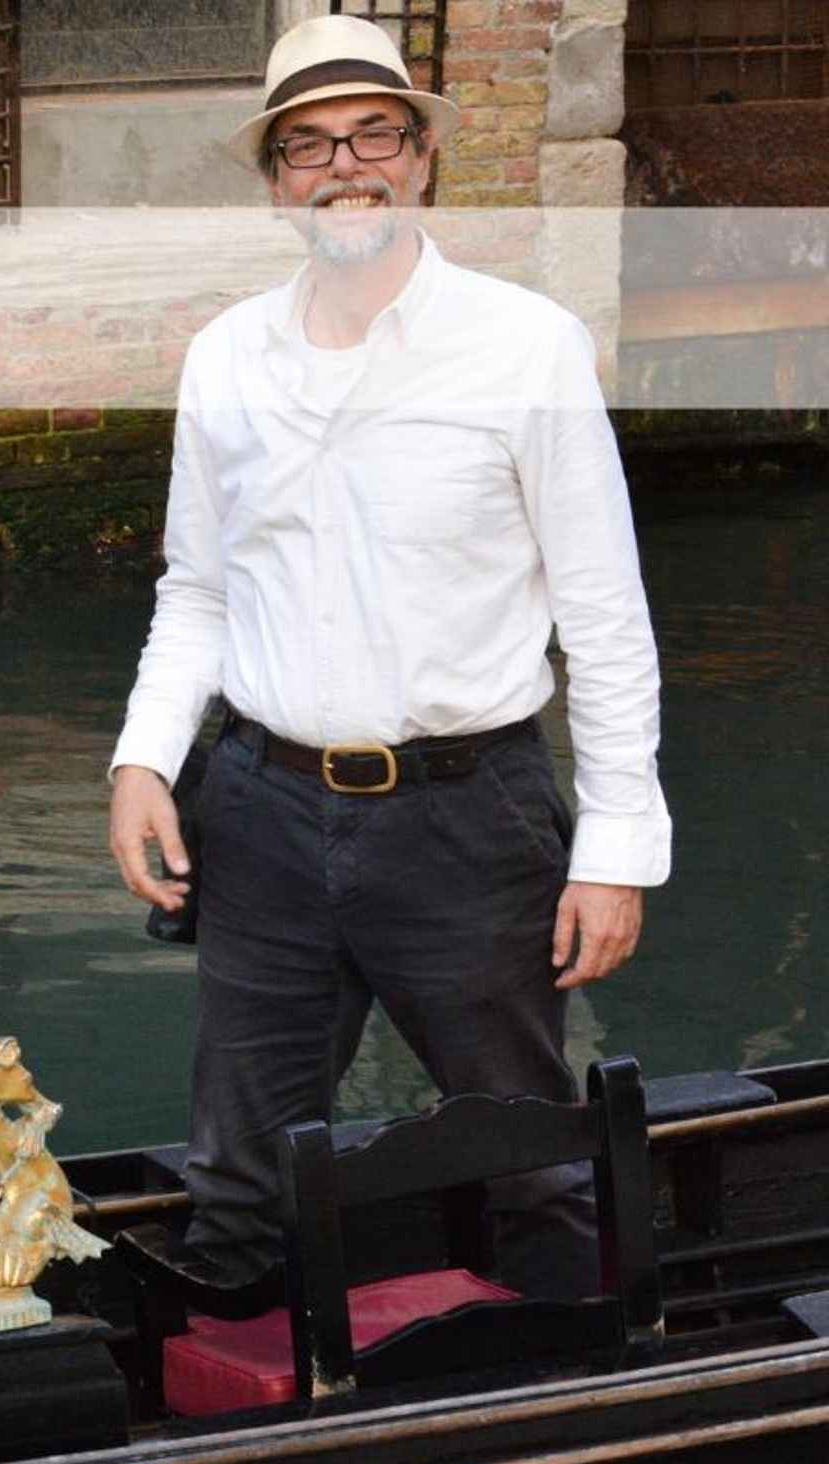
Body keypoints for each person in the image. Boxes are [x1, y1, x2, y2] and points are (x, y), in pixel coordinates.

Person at [104, 16, 671, 1297]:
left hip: (468, 814)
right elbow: (197, 592)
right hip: (258, 810)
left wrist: (615, 850)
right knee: (238, 1183)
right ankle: (246, 1392)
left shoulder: (526, 347)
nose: (344, 167)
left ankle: (571, 1390)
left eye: (372, 136)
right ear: (276, 183)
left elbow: (604, 617)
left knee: (530, 1168)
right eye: (308, 146)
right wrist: (140, 762)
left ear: (419, 159)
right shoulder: (224, 357)